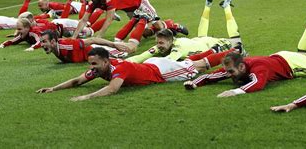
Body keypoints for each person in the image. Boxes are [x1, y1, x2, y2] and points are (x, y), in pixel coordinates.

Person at [183, 2, 306, 98]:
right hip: (282, 57)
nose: (228, 75)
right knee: (302, 55)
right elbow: (214, 75)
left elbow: (257, 85)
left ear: (242, 67)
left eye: (231, 72)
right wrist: (195, 82)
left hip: (291, 64)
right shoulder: (235, 65)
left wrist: (233, 92)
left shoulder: (259, 69)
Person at [36, 47, 221, 101]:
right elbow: (77, 81)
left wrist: (86, 97)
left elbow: (112, 89)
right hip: (152, 65)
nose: (91, 68)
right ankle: (216, 49)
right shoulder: (99, 68)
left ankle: (233, 53)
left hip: (163, 72)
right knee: (187, 62)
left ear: (106, 61)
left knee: (197, 67)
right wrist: (53, 88)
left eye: (94, 64)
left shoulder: (119, 68)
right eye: (90, 64)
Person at [127, 0, 245, 63]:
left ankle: (226, 7)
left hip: (214, 44)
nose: (158, 46)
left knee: (237, 41)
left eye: (161, 44)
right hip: (198, 42)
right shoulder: (163, 43)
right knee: (202, 36)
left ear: (171, 41)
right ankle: (210, 5)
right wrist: (119, 63)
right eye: (158, 43)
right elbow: (140, 57)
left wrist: (146, 63)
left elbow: (166, 63)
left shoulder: (178, 48)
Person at [71, 0, 161, 40]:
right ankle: (159, 30)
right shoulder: (95, 2)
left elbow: (108, 20)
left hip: (139, 3)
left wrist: (99, 37)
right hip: (130, 10)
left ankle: (168, 31)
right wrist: (74, 37)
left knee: (158, 25)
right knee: (144, 33)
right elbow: (83, 20)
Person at [40, 30, 130, 63]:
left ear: (52, 42)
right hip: (94, 56)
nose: (42, 45)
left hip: (98, 49)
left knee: (130, 50)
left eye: (44, 42)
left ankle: (139, 19)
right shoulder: (56, 48)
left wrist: (113, 45)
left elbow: (92, 40)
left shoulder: (68, 45)